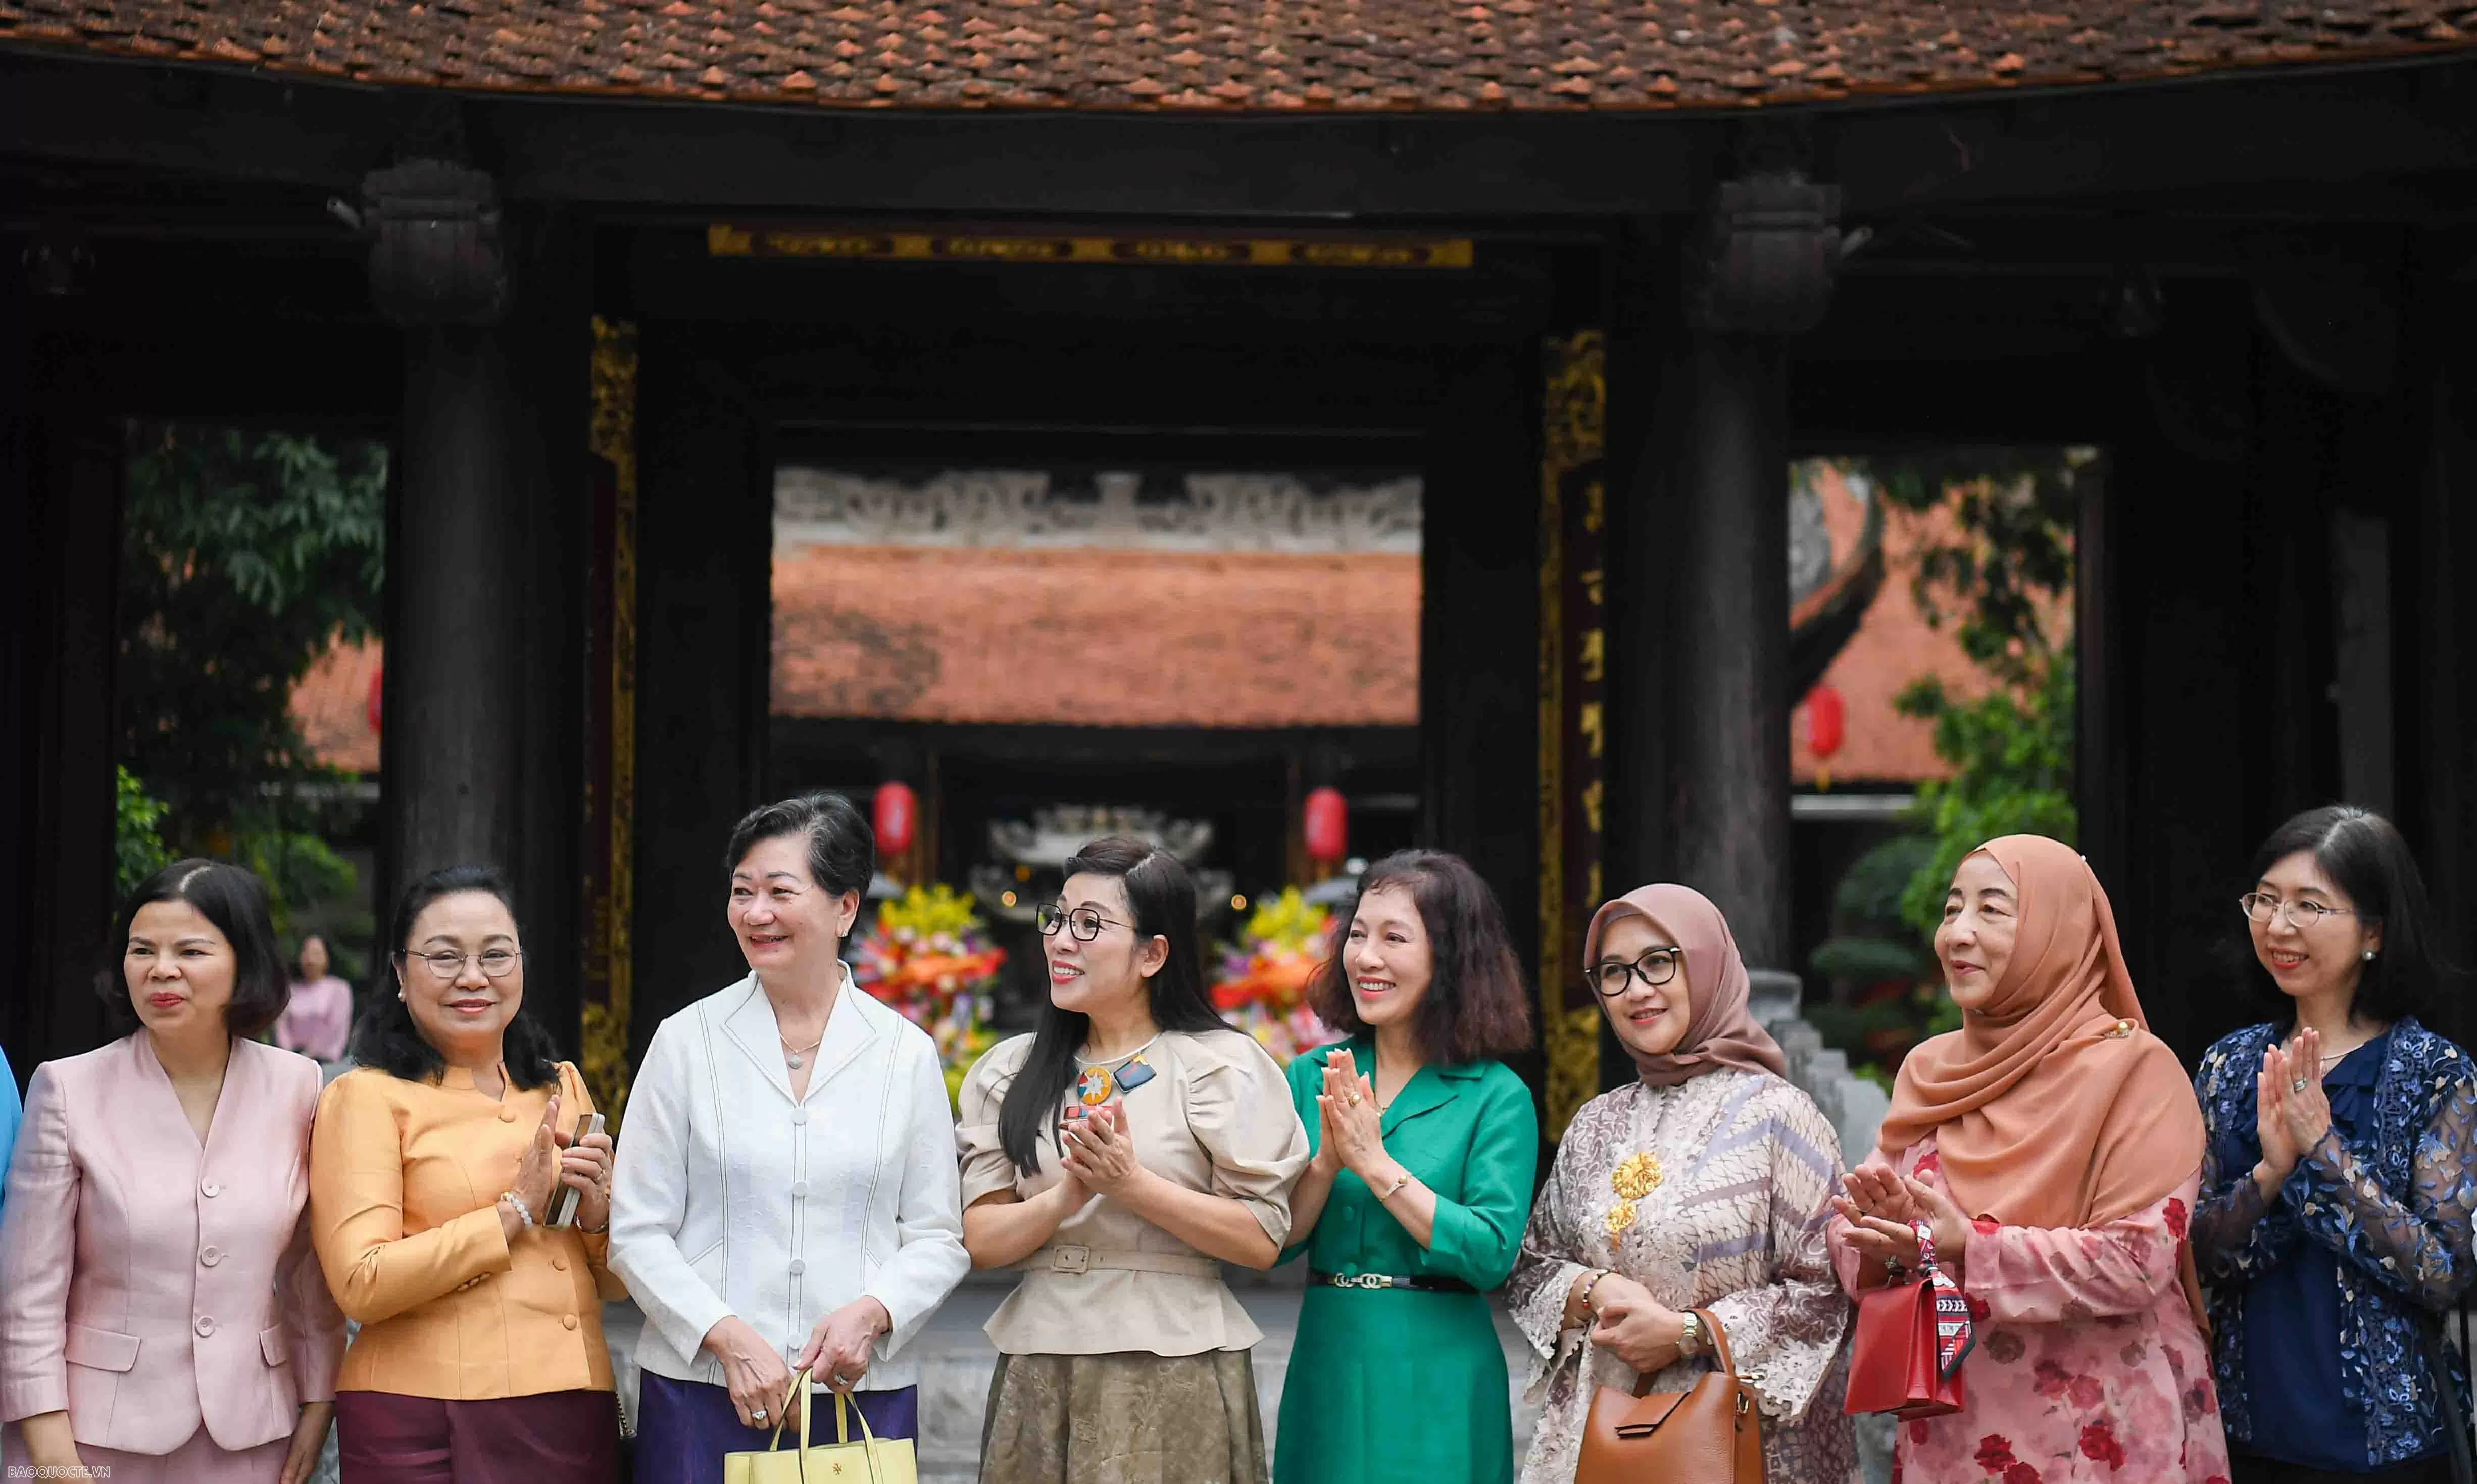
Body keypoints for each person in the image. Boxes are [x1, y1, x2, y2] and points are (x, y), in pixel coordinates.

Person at [1828, 834, 2231, 1483]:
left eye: (1991, 910)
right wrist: (1888, 1234)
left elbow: (2137, 1264)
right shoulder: (1931, 1071)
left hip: (2105, 1437)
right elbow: (1850, 1248)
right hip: (1954, 1440)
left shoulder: (2136, 1074)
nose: (1956, 933)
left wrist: (1970, 1246)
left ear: (2058, 930)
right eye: (1951, 908)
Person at [610, 794, 968, 1480]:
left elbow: (936, 1234)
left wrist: (876, 1311)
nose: (755, 912)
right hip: (704, 1391)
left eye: (780, 891)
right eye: (742, 892)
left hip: (856, 1396)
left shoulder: (905, 1052)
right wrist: (726, 1336)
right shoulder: (686, 1041)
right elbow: (636, 1227)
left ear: (845, 906)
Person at [957, 836, 1311, 1484]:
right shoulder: (1008, 1071)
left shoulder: (1222, 1067)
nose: (1063, 939)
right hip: (1041, 1357)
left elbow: (1262, 1238)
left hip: (1175, 1363)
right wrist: (1066, 1197)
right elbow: (980, 1239)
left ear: (1153, 953)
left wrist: (1130, 1185)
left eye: (1091, 923)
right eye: (1057, 917)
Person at [0, 859, 343, 1484]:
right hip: (90, 1436)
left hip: (251, 1432)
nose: (162, 968)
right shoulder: (68, 1088)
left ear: (245, 962)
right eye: (142, 949)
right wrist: (52, 1456)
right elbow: (28, 1292)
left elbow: (305, 1272)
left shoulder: (300, 1086)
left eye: (190, 949)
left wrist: (320, 1398)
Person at [1511, 883, 1858, 1484]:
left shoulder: (1781, 1117)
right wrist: (1595, 1290)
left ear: (1704, 964)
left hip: (1737, 1444)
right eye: (1613, 973)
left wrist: (1689, 1332)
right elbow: (1535, 1263)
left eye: (1657, 962)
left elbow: (1824, 1291)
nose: (1636, 990)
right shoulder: (1595, 1123)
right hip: (1599, 1436)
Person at [309, 865, 625, 1484]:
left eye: (495, 955)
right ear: (400, 973)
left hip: (572, 1400)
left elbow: (611, 1285)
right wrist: (511, 1213)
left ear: (522, 967)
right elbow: (360, 1279)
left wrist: (597, 1215)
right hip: (424, 1413)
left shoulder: (559, 1083)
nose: (473, 977)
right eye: (444, 956)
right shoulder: (365, 1096)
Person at [2193, 806, 2476, 1484]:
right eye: (2266, 899)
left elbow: (2443, 1274)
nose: (2279, 925)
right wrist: (2270, 1171)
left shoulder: (2434, 1072)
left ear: (2374, 931)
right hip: (2245, 1431)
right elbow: (2197, 1253)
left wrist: (2326, 1150)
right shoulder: (2229, 1065)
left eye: (2310, 905)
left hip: (2391, 1448)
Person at [1272, 849, 1539, 1484]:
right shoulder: (1312, 1076)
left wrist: (1375, 1165)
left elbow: (1490, 1253)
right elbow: (1275, 1240)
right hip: (1328, 1353)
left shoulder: (1495, 1095)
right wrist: (1325, 1164)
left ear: (1450, 959)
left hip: (1440, 1366)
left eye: (1394, 937)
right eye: (1357, 934)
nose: (1366, 957)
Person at [274, 934, 354, 1070]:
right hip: (291, 1062)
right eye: (306, 952)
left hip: (327, 1065)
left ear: (327, 957)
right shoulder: (290, 990)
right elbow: (281, 1025)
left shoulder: (339, 989)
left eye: (316, 953)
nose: (310, 959)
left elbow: (334, 1026)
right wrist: (288, 1054)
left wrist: (308, 1054)